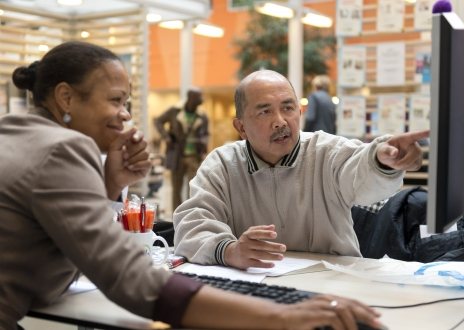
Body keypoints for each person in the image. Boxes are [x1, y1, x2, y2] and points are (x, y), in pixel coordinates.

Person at [0, 41, 383, 330]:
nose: (126, 115)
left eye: (287, 108)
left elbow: (45, 235)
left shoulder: (16, 135)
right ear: (65, 97)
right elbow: (128, 278)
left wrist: (110, 184)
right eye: (116, 100)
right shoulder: (63, 150)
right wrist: (280, 316)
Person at [173, 69, 428, 270]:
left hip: (333, 283)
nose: (280, 122)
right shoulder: (223, 165)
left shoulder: (326, 152)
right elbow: (192, 223)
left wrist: (382, 161)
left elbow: (360, 172)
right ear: (240, 127)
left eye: (288, 108)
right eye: (265, 111)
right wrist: (229, 251)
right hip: (257, 285)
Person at [154, 88, 209, 210]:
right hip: (177, 156)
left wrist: (203, 145)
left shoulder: (202, 116)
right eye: (198, 97)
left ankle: (190, 215)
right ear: (191, 98)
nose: (201, 100)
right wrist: (166, 137)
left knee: (194, 188)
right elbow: (158, 121)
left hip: (194, 157)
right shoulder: (174, 111)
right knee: (176, 189)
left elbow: (206, 134)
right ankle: (177, 215)